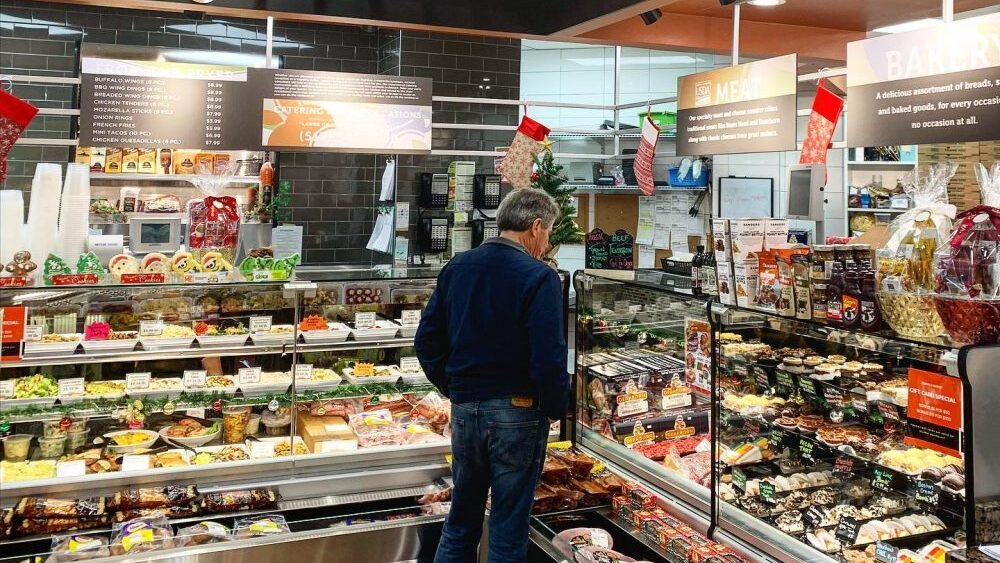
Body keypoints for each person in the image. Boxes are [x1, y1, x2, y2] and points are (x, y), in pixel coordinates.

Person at [415, 188, 569, 563]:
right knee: (507, 526)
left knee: (461, 520)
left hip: (466, 411)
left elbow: (427, 340)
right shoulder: (539, 277)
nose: (546, 242)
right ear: (535, 227)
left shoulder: (458, 266)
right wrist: (555, 408)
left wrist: (454, 387)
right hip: (518, 412)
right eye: (547, 233)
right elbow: (549, 356)